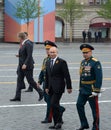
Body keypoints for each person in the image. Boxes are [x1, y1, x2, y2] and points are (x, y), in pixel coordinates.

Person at [10, 32, 43, 101]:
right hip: (21, 66)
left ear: (20, 37)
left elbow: (29, 55)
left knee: (30, 81)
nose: (17, 39)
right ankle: (17, 97)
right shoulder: (24, 43)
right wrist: (19, 55)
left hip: (27, 66)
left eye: (18, 37)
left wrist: (25, 64)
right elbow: (24, 53)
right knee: (19, 80)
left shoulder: (28, 43)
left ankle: (41, 92)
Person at [76, 44, 103, 130]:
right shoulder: (83, 62)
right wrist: (80, 87)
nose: (85, 54)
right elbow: (82, 76)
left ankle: (96, 126)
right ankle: (84, 124)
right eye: (83, 53)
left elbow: (99, 77)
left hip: (92, 90)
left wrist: (96, 90)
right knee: (79, 105)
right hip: (83, 89)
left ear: (91, 52)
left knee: (94, 109)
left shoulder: (95, 62)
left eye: (86, 52)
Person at [45, 47, 72, 129]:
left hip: (59, 86)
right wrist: (46, 86)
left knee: (53, 103)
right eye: (51, 52)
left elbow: (67, 75)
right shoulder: (48, 61)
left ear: (57, 53)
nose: (52, 54)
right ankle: (56, 123)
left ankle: (59, 122)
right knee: (53, 105)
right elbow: (47, 75)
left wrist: (69, 87)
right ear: (48, 53)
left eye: (54, 52)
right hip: (50, 87)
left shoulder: (61, 62)